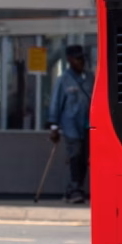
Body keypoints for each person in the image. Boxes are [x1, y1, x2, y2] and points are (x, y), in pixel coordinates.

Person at [46, 45, 93, 203]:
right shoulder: (64, 79)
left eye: (83, 58)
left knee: (85, 158)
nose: (81, 62)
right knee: (75, 155)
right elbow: (56, 103)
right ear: (70, 60)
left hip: (88, 125)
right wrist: (54, 127)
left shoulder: (90, 78)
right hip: (71, 125)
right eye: (78, 59)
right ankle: (75, 189)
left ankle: (76, 187)